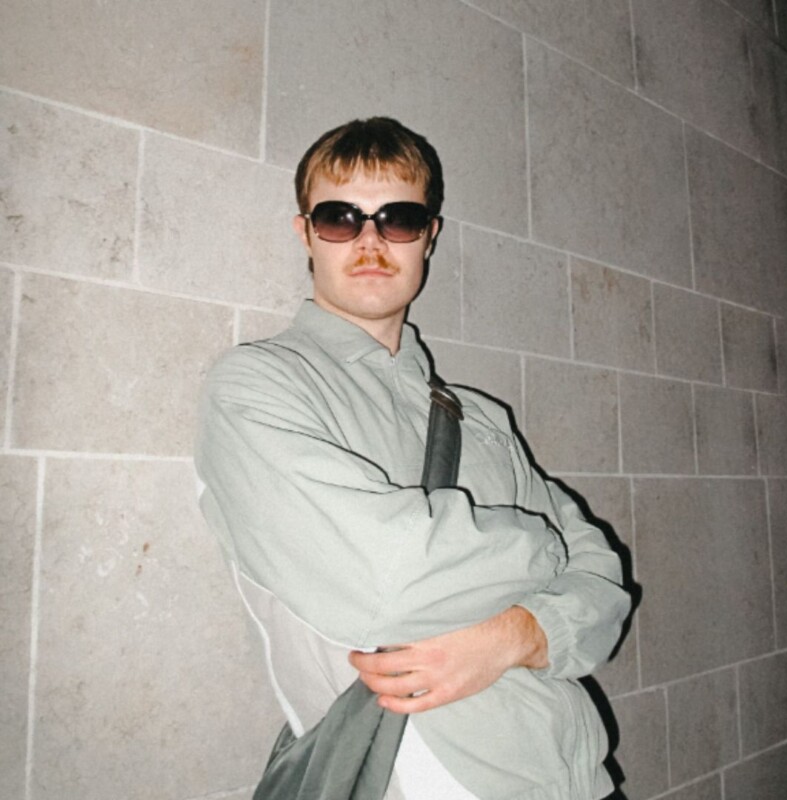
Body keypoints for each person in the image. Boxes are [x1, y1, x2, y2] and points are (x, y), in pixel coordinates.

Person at [195, 117, 631, 800]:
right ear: (306, 233)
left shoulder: (479, 419)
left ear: (429, 235)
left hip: (578, 780)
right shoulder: (257, 386)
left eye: (398, 219)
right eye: (340, 218)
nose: (370, 241)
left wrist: (520, 633)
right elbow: (385, 581)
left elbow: (604, 587)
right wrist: (547, 547)